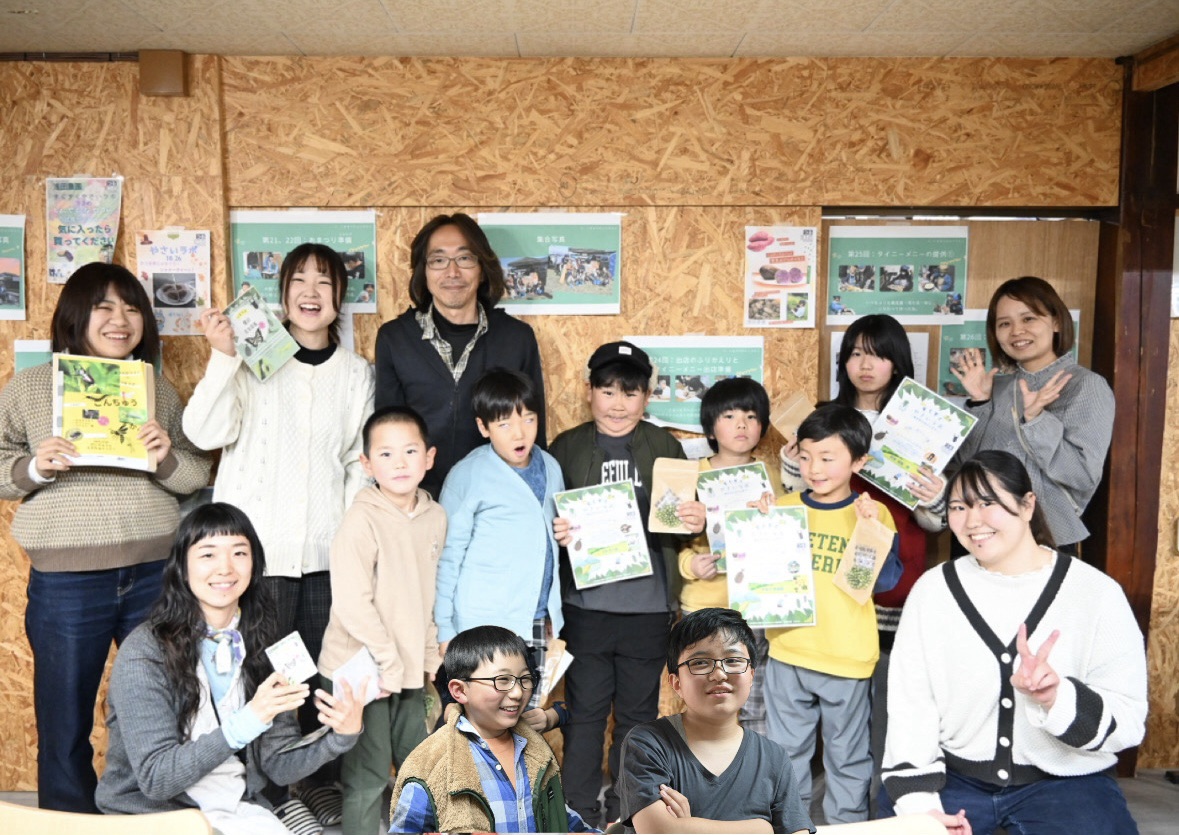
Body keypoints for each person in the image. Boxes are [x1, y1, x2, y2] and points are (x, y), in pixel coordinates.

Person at [0, 262, 210, 812]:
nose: (121, 320)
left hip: (154, 573)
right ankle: (67, 818)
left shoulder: (153, 389)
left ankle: (143, 812)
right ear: (75, 316)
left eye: (132, 308)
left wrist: (165, 457)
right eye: (105, 307)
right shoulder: (32, 387)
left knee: (160, 706)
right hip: (67, 581)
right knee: (64, 713)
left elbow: (196, 474)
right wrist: (35, 466)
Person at [881, 450, 1146, 835]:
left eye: (987, 503)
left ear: (1027, 505)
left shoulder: (1097, 593)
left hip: (1067, 781)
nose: (973, 521)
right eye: (958, 507)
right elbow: (911, 705)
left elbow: (1129, 720)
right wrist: (920, 806)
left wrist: (1057, 698)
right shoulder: (933, 591)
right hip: (953, 777)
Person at [184, 242, 373, 720]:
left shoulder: (355, 373)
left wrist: (348, 543)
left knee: (318, 687)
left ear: (339, 298)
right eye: (299, 281)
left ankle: (318, 768)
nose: (311, 292)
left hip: (325, 563)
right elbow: (204, 433)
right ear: (283, 294)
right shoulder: (251, 360)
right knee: (259, 687)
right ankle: (261, 771)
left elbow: (356, 461)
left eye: (324, 283)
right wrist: (224, 357)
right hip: (257, 559)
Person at [95, 503, 363, 831]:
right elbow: (157, 779)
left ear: (255, 564)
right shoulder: (144, 652)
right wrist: (249, 720)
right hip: (150, 815)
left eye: (239, 553)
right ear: (181, 567)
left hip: (236, 804)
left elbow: (278, 766)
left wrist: (341, 736)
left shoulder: (268, 642)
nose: (225, 568)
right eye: (208, 554)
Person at [780, 315, 946, 809]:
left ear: (898, 361)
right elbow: (796, 506)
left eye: (877, 353)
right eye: (855, 353)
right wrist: (791, 466)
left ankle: (870, 808)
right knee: (808, 731)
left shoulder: (923, 425)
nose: (865, 364)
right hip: (818, 594)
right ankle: (803, 812)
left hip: (888, 569)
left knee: (875, 711)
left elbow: (936, 523)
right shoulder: (825, 420)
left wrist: (934, 496)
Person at [550, 341, 706, 826]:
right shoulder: (566, 447)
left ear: (646, 396)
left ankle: (628, 814)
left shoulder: (665, 448)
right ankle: (577, 811)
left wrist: (695, 519)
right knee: (585, 714)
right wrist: (556, 531)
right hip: (585, 606)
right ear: (589, 391)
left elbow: (681, 525)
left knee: (638, 719)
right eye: (608, 391)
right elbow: (542, 520)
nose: (618, 404)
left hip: (648, 608)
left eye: (630, 392)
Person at [763, 404, 900, 824]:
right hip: (788, 650)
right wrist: (755, 524)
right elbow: (759, 575)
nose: (814, 468)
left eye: (827, 458)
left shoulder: (873, 513)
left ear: (858, 462)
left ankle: (847, 826)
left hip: (847, 657)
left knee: (848, 756)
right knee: (785, 754)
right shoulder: (783, 507)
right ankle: (790, 826)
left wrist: (870, 531)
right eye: (805, 457)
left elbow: (882, 582)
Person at [316, 406, 447, 835]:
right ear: (367, 464)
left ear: (429, 457)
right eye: (386, 454)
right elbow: (352, 603)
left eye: (410, 451)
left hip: (407, 669)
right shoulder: (361, 519)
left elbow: (427, 592)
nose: (400, 463)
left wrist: (427, 657)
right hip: (360, 670)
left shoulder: (435, 516)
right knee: (368, 773)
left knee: (417, 766)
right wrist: (389, 663)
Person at [374, 213, 546, 498]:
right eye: (438, 260)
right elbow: (386, 431)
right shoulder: (395, 338)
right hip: (418, 501)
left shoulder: (517, 338)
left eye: (465, 258)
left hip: (496, 500)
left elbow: (533, 431)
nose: (452, 272)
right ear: (423, 271)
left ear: (482, 269)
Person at [435, 369, 567, 729]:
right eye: (504, 423)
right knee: (477, 725)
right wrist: (444, 630)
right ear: (483, 427)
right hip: (481, 624)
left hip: (535, 621)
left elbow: (549, 539)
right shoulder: (468, 474)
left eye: (528, 418)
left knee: (523, 722)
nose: (519, 432)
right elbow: (448, 558)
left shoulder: (551, 466)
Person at [950, 276, 1114, 551]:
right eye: (1004, 323)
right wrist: (980, 402)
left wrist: (1037, 420)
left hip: (1042, 536)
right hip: (978, 532)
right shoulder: (996, 386)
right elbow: (967, 464)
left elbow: (1083, 476)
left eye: (1028, 319)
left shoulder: (1085, 385)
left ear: (1057, 322)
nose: (1016, 331)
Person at [618, 608, 814, 834]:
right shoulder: (648, 744)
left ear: (751, 675)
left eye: (733, 660)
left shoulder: (773, 757)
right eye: (700, 663)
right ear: (676, 683)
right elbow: (659, 830)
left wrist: (687, 828)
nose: (719, 674)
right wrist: (761, 828)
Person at [388, 625, 597, 833]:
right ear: (459, 690)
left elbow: (558, 817)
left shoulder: (537, 752)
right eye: (502, 680)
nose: (517, 692)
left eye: (525, 679)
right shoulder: (430, 767)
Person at [679, 377, 780, 735]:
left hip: (757, 608)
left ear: (762, 426)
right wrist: (690, 566)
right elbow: (671, 544)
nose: (742, 425)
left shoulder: (772, 476)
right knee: (706, 702)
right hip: (705, 605)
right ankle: (703, 769)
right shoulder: (691, 474)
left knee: (755, 703)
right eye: (730, 416)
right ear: (710, 427)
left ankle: (753, 769)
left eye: (751, 416)